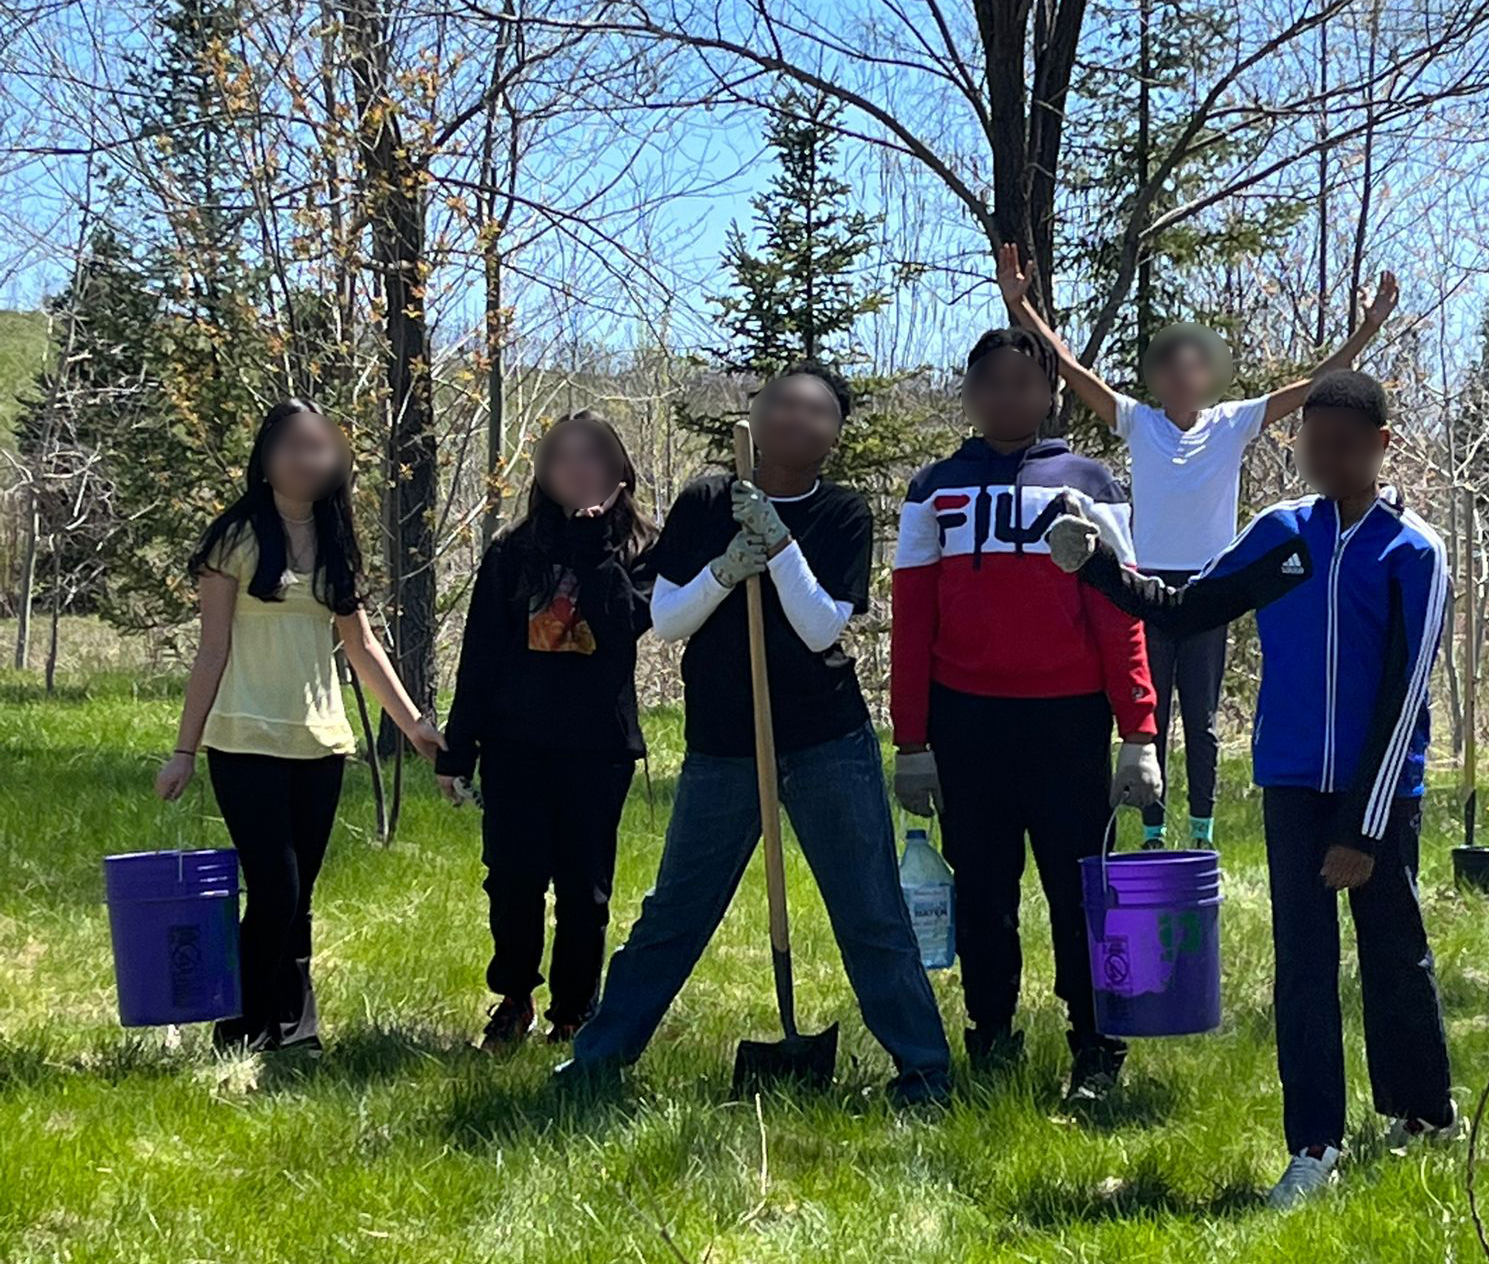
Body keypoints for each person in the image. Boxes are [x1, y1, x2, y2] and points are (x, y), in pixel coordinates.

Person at [1046, 369, 1453, 1208]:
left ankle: (1422, 1113)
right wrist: (1098, 567)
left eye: (1345, 445)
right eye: (1314, 444)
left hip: (1381, 793)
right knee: (1302, 965)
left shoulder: (1413, 552)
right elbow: (1186, 607)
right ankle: (1314, 1143)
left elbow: (1405, 693)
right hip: (1292, 785)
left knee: (1394, 951)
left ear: (1381, 445)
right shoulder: (1283, 535)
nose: (1326, 459)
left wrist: (1364, 830)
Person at [563, 363, 953, 1105]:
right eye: (783, 403)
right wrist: (724, 567)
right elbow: (668, 620)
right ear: (757, 413)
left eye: (817, 412)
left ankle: (924, 1071)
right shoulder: (707, 500)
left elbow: (820, 628)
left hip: (827, 738)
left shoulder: (842, 512)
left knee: (870, 910)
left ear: (834, 435)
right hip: (723, 742)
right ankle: (597, 1062)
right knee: (676, 911)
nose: (797, 419)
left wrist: (777, 548)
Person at [997, 246, 1399, 849]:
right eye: (1171, 370)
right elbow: (1071, 369)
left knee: (1203, 721)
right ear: (1157, 380)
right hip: (1146, 585)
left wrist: (1367, 328)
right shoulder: (1138, 421)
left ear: (1208, 378)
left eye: (1193, 369)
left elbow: (1315, 387)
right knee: (1151, 714)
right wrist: (1019, 304)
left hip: (1211, 586)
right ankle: (1153, 829)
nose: (1182, 379)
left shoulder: (1232, 422)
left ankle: (1203, 830)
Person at [890, 325, 1160, 1101]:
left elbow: (1121, 612)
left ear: (1049, 394)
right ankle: (991, 1039)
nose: (1007, 396)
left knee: (1081, 890)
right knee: (983, 892)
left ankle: (1097, 1047)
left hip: (1068, 721)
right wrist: (912, 740)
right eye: (991, 382)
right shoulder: (934, 489)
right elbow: (913, 619)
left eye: (1023, 382)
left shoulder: (1090, 483)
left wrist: (1138, 732)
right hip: (966, 722)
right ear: (969, 394)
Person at [156, 399, 442, 1052]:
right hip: (243, 740)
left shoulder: (336, 541)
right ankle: (239, 1030)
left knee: (299, 895)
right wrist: (183, 752)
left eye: (320, 447)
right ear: (265, 457)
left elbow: (362, 648)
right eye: (293, 445)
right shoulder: (234, 538)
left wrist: (414, 726)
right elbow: (211, 651)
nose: (307, 459)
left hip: (320, 744)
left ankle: (294, 1029)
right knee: (276, 890)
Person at [433, 413, 654, 1049]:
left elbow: (624, 625)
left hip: (597, 747)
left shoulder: (643, 550)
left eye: (592, 456)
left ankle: (574, 1011)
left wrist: (592, 545)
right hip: (516, 744)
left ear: (618, 470)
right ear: (543, 473)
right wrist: (459, 747)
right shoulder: (513, 551)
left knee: (585, 888)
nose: (577, 469)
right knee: (513, 878)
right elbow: (480, 655)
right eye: (562, 457)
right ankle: (514, 998)